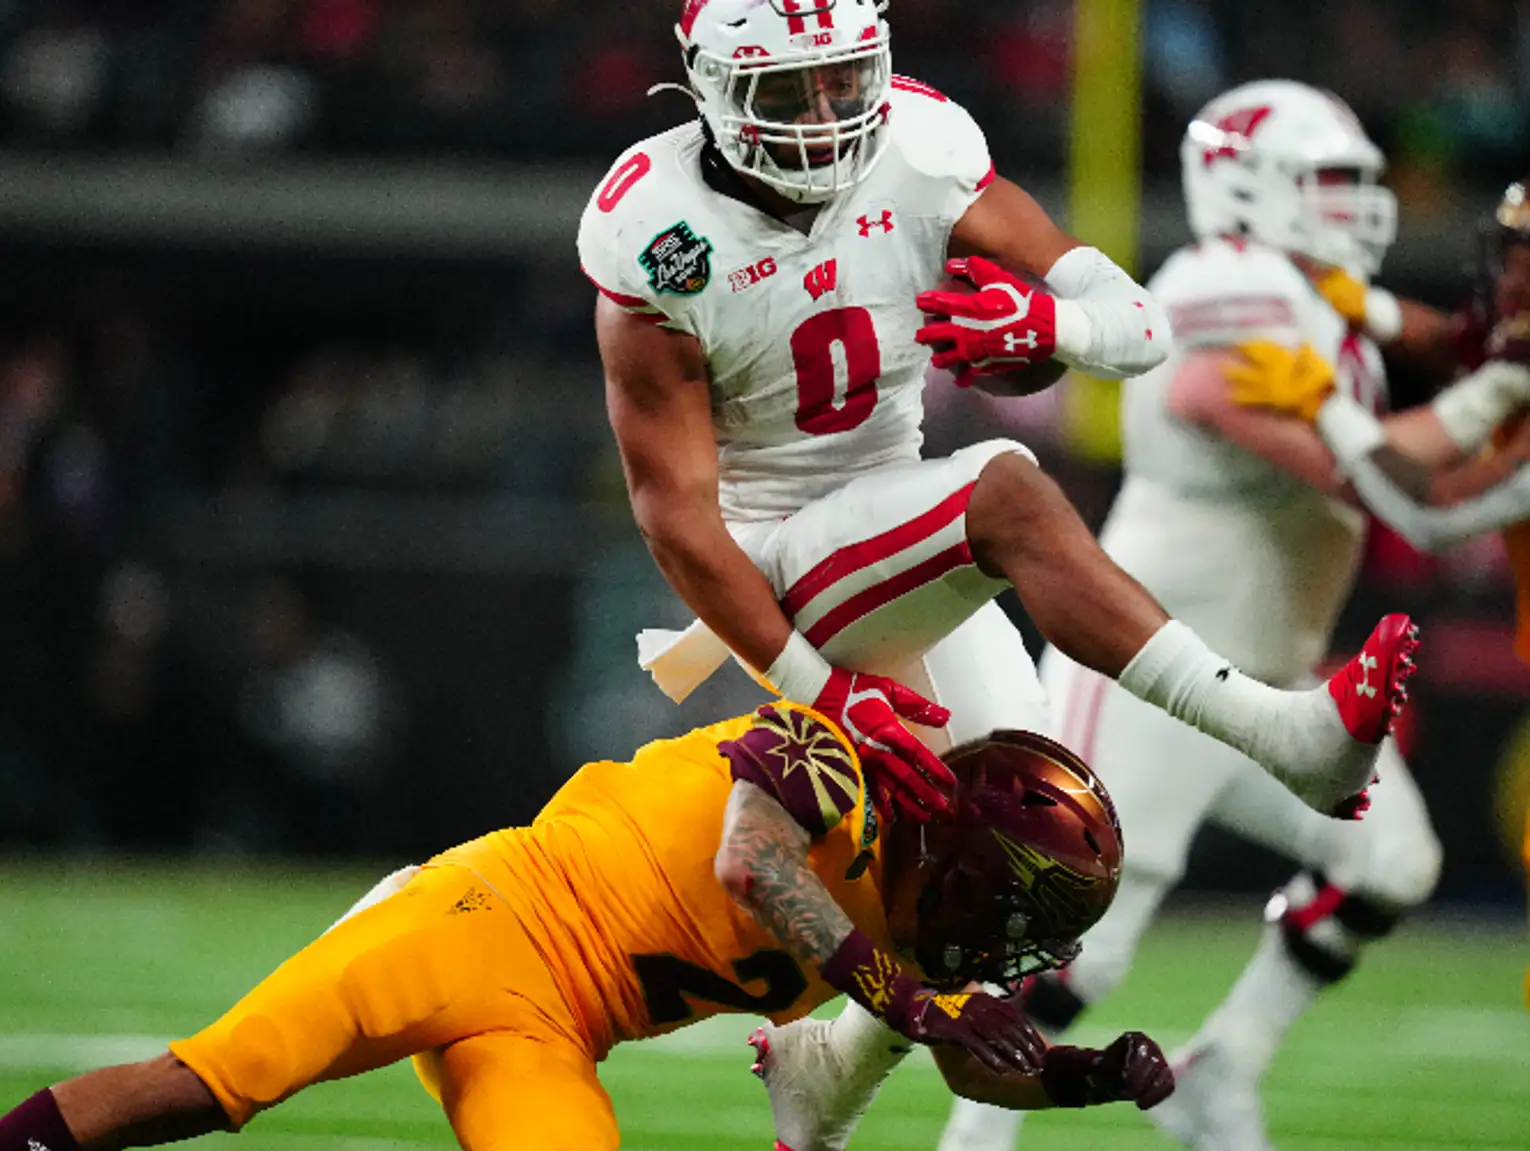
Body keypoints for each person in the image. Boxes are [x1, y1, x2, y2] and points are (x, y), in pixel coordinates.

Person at [579, 5, 1418, 1147]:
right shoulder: (657, 231)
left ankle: (827, 1073)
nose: (827, 118)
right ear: (709, 88)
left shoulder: (921, 145)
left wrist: (1049, 321)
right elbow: (675, 517)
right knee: (1007, 487)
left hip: (890, 520)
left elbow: (1135, 324)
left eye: (844, 82)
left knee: (1029, 850)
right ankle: (1285, 736)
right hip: (770, 552)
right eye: (791, 93)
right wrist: (816, 686)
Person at [936, 85, 1530, 1151]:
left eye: (1359, 180)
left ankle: (1224, 1071)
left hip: (1278, 683)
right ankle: (971, 1139)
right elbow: (1400, 490)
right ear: (1250, 189)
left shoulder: (1323, 297)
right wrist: (1497, 405)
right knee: (1083, 944)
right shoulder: (1225, 284)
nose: (1360, 203)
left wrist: (1495, 355)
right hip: (1158, 660)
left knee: (1391, 863)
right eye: (1331, 182)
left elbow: (1430, 337)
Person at [0, 703, 1175, 1151]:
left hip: (554, 1034)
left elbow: (977, 1060)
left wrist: (1087, 1076)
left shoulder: (909, 946)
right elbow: (753, 858)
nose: (1021, 946)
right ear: (969, 862)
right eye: (1024, 911)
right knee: (212, 1081)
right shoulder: (834, 763)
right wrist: (907, 999)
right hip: (482, 917)